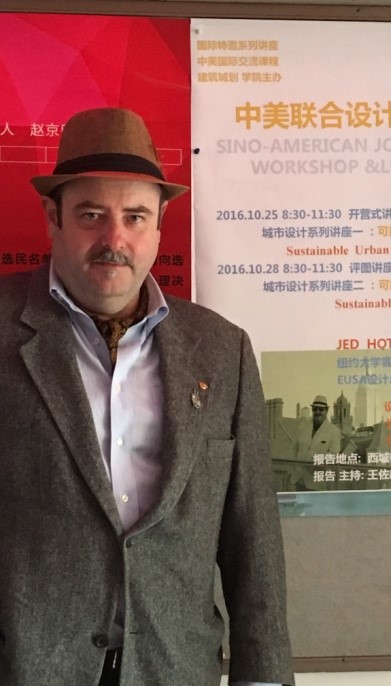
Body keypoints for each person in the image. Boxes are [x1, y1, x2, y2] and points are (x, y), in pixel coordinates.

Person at [0, 108, 294, 686]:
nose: (114, 240)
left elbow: (253, 538)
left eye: (135, 217)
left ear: (159, 225)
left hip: (174, 667)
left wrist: (263, 676)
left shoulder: (221, 350)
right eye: (92, 215)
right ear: (52, 217)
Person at [291, 395, 341, 491]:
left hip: (316, 483)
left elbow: (333, 456)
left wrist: (315, 458)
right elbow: (294, 449)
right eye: (315, 409)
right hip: (298, 480)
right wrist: (294, 469)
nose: (317, 412)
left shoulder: (334, 431)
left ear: (327, 410)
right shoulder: (302, 426)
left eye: (321, 409)